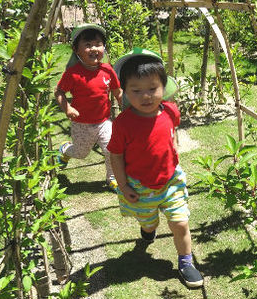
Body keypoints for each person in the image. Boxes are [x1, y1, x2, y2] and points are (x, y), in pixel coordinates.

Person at [107, 48, 204, 288]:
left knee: (180, 223)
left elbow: (170, 132)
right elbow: (116, 155)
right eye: (136, 91)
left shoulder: (170, 111)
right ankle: (148, 229)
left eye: (152, 88)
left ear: (163, 86)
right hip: (140, 187)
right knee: (149, 223)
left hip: (171, 181)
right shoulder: (123, 123)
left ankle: (186, 262)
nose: (146, 96)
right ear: (126, 93)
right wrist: (123, 184)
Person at [54, 23, 122, 191]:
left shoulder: (107, 70)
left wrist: (126, 108)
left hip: (104, 122)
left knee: (110, 149)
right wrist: (67, 108)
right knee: (81, 153)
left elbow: (117, 92)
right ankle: (66, 149)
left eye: (98, 44)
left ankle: (111, 178)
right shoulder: (73, 73)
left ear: (104, 48)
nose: (94, 48)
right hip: (81, 124)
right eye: (88, 45)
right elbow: (59, 91)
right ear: (76, 50)